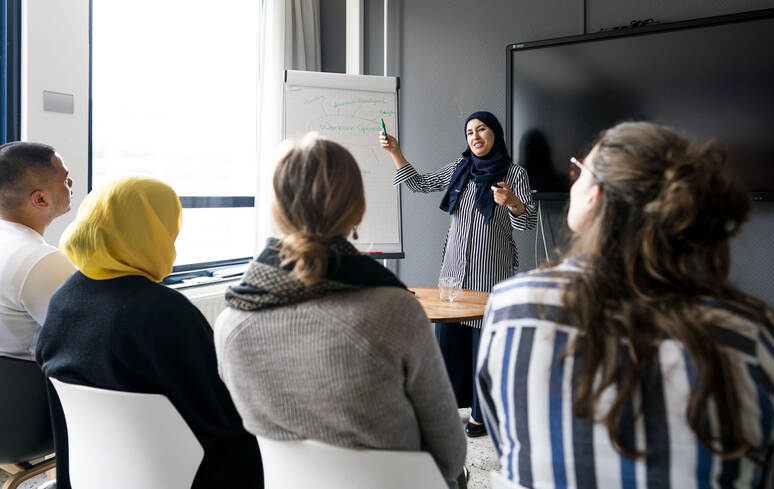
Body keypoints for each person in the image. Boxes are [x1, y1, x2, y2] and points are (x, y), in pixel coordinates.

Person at [476, 122, 774, 488]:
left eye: (578, 171)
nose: (572, 178)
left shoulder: (511, 308)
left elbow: (508, 443)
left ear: (594, 196)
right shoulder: (751, 338)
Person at [215, 134, 467, 488]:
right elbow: (452, 456)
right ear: (358, 209)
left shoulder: (230, 324)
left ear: (275, 208)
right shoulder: (395, 311)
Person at [36, 177, 263, 489]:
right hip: (187, 475)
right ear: (150, 231)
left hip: (92, 473)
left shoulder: (65, 298)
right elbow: (218, 417)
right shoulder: (163, 312)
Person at [380, 111, 537, 437]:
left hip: (491, 276)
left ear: (495, 133)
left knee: (485, 349)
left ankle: (481, 417)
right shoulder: (459, 168)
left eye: (481, 129)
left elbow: (527, 221)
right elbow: (420, 184)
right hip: (453, 275)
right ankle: (451, 411)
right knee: (449, 347)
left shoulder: (513, 172)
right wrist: (395, 152)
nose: (475, 136)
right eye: (469, 132)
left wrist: (511, 202)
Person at [0, 141, 75, 361]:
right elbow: (89, 338)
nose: (71, 182)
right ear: (40, 199)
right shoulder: (41, 260)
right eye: (64, 178)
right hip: (31, 390)